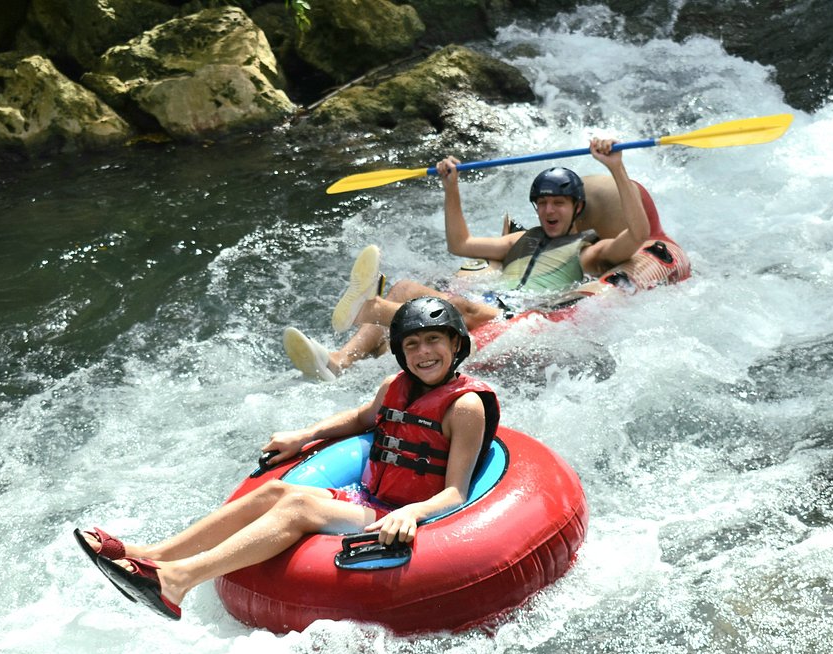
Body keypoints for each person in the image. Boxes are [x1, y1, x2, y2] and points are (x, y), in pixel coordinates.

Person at [75, 297, 500, 620]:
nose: (424, 352)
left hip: (400, 518)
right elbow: (362, 419)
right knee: (276, 490)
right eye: (412, 344)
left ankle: (177, 581)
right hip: (369, 499)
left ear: (456, 344)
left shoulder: (464, 407)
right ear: (400, 353)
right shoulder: (395, 385)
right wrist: (306, 435)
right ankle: (151, 554)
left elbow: (455, 492)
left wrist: (411, 514)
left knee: (297, 505)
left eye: (433, 340)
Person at [283, 137, 653, 381]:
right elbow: (460, 243)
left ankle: (366, 307)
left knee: (451, 303)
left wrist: (615, 167)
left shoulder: (589, 252)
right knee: (405, 287)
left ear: (577, 208)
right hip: (492, 301)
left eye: (558, 203)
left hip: (524, 314)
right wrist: (451, 187)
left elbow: (638, 235)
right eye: (542, 203)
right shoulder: (518, 241)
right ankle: (338, 361)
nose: (549, 210)